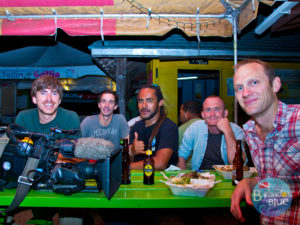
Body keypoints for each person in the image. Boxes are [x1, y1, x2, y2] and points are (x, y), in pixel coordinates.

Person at [231, 59, 300, 224]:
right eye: (239, 88)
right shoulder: (249, 132)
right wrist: (249, 183)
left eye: (254, 82)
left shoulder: (297, 120)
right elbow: (270, 180)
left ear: (275, 85)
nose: (245, 93)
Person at [14, 75, 82, 225]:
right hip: (31, 181)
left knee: (72, 218)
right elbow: (18, 157)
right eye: (43, 93)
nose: (49, 99)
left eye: (54, 93)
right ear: (34, 99)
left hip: (63, 180)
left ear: (59, 99)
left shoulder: (70, 118)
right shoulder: (23, 118)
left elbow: (76, 156)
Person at [177, 95, 244, 170]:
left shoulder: (236, 130)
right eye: (208, 110)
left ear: (225, 113)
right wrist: (183, 177)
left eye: (217, 109)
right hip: (200, 178)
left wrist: (228, 131)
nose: (212, 114)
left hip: (227, 179)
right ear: (203, 115)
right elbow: (181, 155)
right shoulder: (195, 128)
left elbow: (238, 163)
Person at [129, 84, 178, 170]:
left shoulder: (169, 127)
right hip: (138, 180)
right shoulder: (136, 127)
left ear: (160, 102)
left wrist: (127, 167)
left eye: (149, 100)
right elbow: (127, 159)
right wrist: (132, 152)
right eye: (140, 101)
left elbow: (160, 163)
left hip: (161, 181)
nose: (144, 105)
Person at [178, 100, 202, 169]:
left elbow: (178, 155)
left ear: (186, 113)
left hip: (188, 170)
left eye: (181, 113)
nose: (180, 116)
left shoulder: (181, 129)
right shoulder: (207, 126)